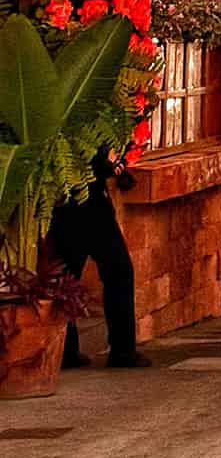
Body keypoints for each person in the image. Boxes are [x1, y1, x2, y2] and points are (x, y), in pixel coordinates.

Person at [49, 146, 148, 369]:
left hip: (66, 199)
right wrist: (109, 164)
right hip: (86, 201)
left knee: (66, 275)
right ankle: (122, 350)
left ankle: (66, 350)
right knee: (118, 271)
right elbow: (87, 154)